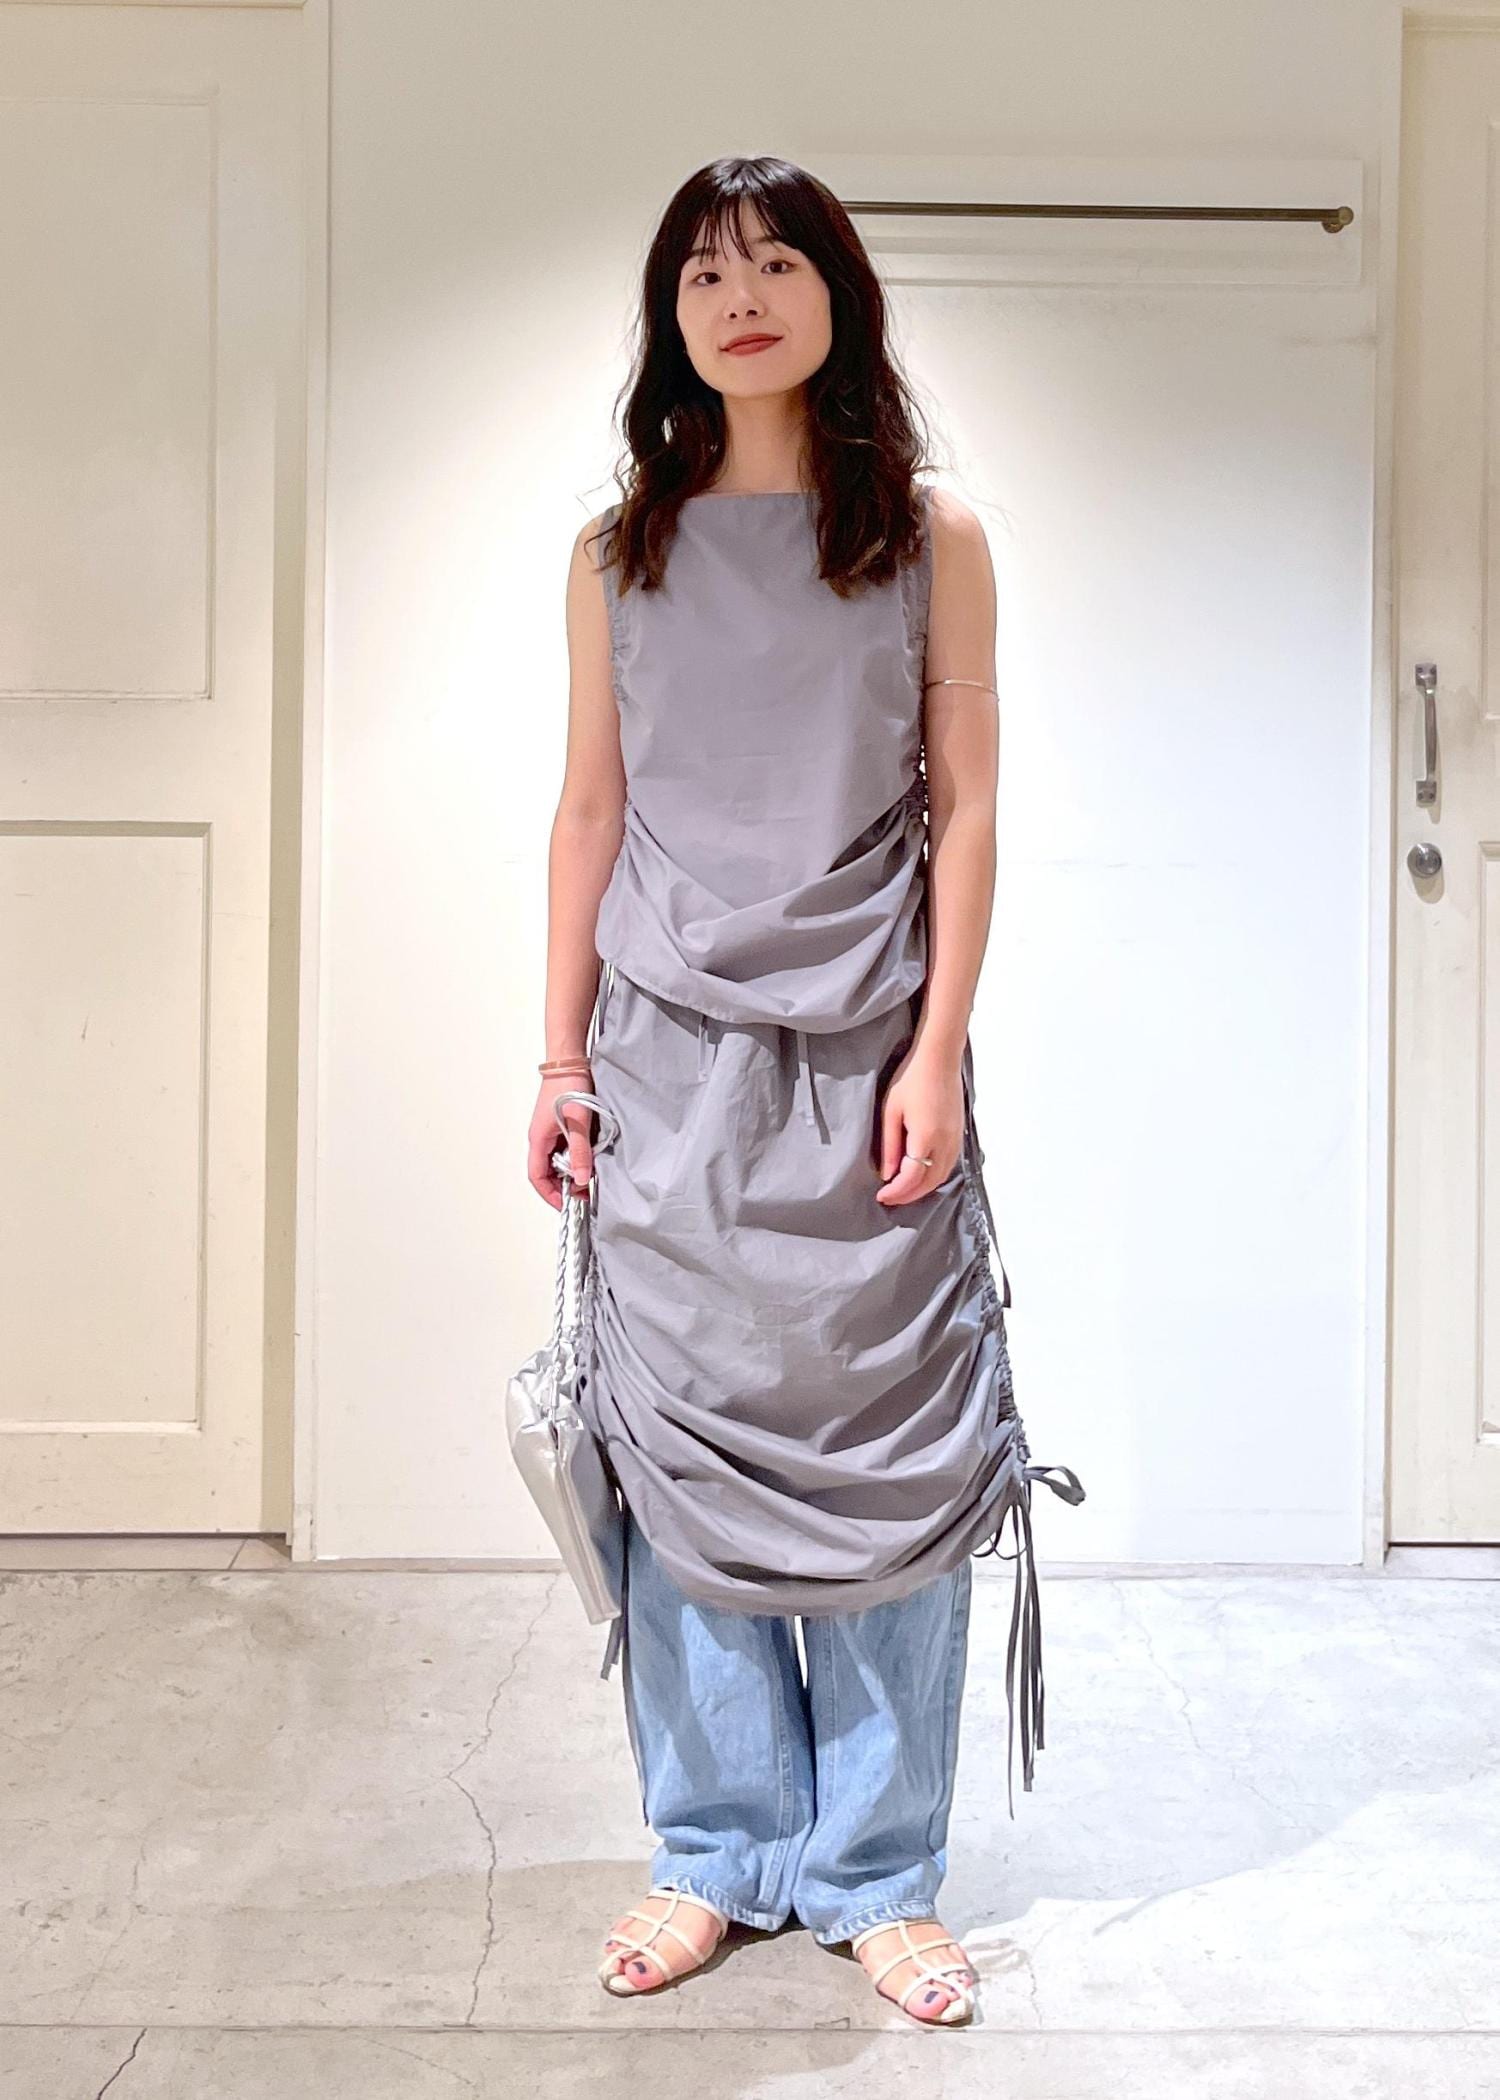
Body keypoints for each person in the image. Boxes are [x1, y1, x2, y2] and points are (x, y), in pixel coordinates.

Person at [531, 155, 1084, 2029]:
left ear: (837, 293)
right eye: (702, 273)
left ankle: (875, 1876)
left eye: (775, 262)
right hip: (662, 1052)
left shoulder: (933, 538)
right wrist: (556, 1057)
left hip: (868, 1053)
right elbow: (589, 811)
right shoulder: (618, 554)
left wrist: (936, 1050)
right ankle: (713, 1852)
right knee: (679, 1450)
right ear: (669, 320)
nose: (740, 296)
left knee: (887, 1454)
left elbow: (970, 812)